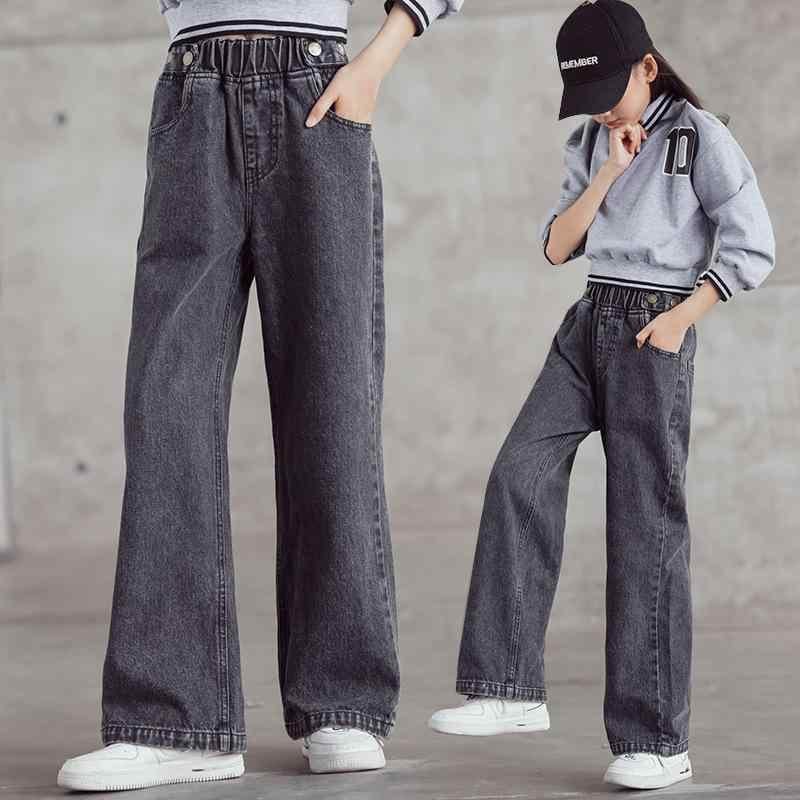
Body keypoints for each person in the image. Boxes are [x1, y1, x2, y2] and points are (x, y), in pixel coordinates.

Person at [56, 0, 463, 792]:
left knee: (331, 403)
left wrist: (376, 61)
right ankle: (175, 720)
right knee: (165, 407)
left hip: (317, 91)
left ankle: (342, 700)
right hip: (193, 93)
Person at [428, 0, 775, 791]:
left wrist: (682, 319)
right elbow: (558, 246)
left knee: (644, 527)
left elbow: (753, 241)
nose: (600, 109)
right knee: (519, 472)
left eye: (609, 90)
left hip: (654, 326)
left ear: (648, 67)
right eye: (586, 97)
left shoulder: (699, 137)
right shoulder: (592, 141)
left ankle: (656, 740)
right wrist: (611, 169)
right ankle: (508, 688)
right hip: (589, 320)